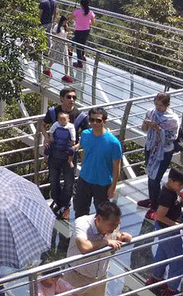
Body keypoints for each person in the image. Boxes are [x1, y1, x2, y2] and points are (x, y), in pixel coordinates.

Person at [65, 201, 132, 296]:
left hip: (100, 279)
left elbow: (114, 237)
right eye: (112, 225)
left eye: (117, 225)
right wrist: (106, 242)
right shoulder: (82, 223)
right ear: (99, 219)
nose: (114, 228)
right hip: (76, 277)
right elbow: (84, 247)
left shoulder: (113, 227)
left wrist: (122, 237)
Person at [137, 92, 181, 220]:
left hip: (164, 151)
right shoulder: (151, 112)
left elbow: (171, 137)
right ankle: (152, 199)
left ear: (167, 105)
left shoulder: (172, 119)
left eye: (160, 105)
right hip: (151, 148)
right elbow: (144, 129)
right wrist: (145, 125)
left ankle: (155, 207)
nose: (157, 107)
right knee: (150, 174)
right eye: (156, 104)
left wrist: (158, 129)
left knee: (155, 178)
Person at [74, 108, 123, 218]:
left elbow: (117, 166)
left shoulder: (113, 143)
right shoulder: (86, 134)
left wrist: (113, 187)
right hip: (84, 179)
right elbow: (85, 151)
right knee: (80, 210)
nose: (94, 123)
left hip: (102, 183)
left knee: (102, 214)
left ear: (104, 121)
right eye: (92, 120)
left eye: (98, 120)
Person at [145, 168, 183, 296]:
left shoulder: (171, 190)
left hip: (163, 229)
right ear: (171, 181)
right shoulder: (167, 195)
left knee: (163, 252)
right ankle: (171, 288)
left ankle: (157, 277)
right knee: (178, 259)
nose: (181, 188)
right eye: (179, 185)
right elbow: (160, 216)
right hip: (168, 230)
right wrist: (177, 225)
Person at [43, 111, 76, 220]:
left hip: (67, 156)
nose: (71, 99)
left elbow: (76, 137)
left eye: (73, 97)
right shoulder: (54, 116)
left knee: (68, 182)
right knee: (53, 180)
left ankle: (65, 205)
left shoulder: (73, 123)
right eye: (68, 97)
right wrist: (48, 138)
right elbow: (42, 125)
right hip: (55, 155)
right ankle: (57, 202)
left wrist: (74, 144)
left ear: (68, 120)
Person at [43, 15, 74, 83]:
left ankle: (66, 75)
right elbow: (53, 36)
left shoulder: (65, 27)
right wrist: (60, 41)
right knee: (52, 58)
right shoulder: (57, 27)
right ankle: (48, 70)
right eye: (65, 21)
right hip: (57, 45)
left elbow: (65, 35)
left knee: (66, 60)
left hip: (64, 45)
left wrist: (67, 33)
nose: (65, 23)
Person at [70, 0, 96, 69]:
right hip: (86, 31)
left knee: (78, 47)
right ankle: (82, 57)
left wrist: (73, 12)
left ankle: (79, 63)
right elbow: (93, 22)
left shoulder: (77, 12)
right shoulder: (90, 12)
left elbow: (71, 18)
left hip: (78, 31)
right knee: (83, 45)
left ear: (81, 5)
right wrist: (87, 23)